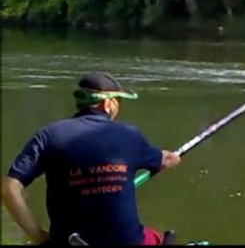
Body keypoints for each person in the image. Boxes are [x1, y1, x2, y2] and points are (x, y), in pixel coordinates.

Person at [2, 72, 182, 246]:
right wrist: (172, 158)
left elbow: (9, 187)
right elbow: (162, 160)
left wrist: (39, 237)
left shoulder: (48, 136)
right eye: (118, 101)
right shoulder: (129, 135)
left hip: (68, 242)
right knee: (155, 237)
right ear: (108, 104)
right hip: (127, 242)